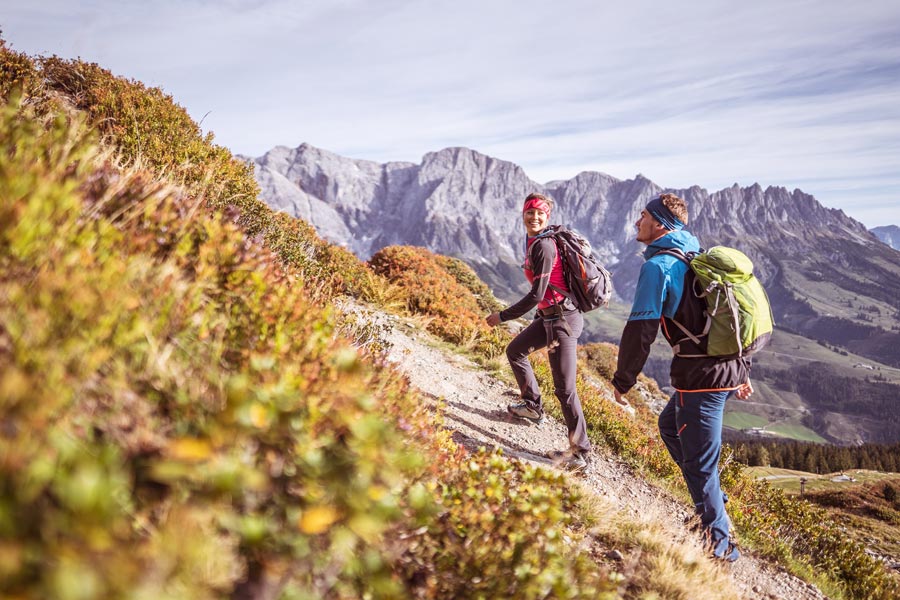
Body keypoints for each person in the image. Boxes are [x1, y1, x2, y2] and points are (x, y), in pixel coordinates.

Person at [611, 193, 752, 562]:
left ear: (659, 223)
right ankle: (714, 503)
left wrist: (623, 380)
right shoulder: (697, 254)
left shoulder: (658, 266)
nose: (636, 222)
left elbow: (641, 329)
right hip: (725, 368)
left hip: (701, 377)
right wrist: (743, 370)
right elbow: (732, 320)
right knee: (670, 426)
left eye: (642, 216)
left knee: (701, 463)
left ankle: (720, 546)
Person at [485, 193, 592, 473]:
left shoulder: (543, 245)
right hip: (549, 318)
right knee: (515, 351)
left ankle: (580, 453)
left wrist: (502, 316)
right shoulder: (533, 240)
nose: (534, 217)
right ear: (523, 214)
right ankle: (532, 406)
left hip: (562, 322)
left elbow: (537, 294)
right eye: (529, 213)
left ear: (548, 216)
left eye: (540, 213)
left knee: (565, 389)